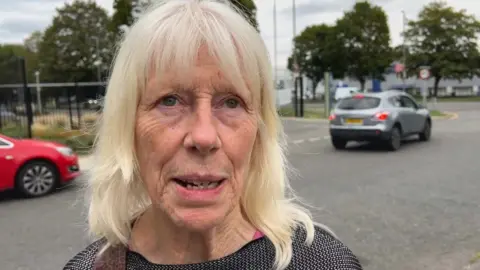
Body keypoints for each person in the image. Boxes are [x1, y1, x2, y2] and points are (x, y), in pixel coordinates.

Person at [64, 0, 363, 269]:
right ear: (127, 128)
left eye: (231, 102)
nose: (204, 137)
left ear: (259, 132)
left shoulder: (324, 262)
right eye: (170, 100)